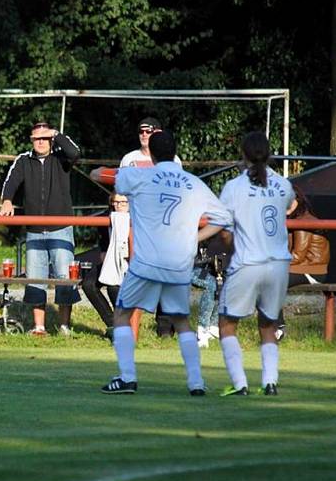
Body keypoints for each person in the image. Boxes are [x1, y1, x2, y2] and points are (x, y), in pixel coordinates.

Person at [100, 130, 232, 396]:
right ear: (175, 152)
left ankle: (127, 378)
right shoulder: (193, 183)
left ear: (152, 152)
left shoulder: (140, 174)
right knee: (182, 322)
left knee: (123, 314)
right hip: (178, 263)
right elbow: (223, 218)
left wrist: (101, 171)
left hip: (146, 263)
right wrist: (196, 237)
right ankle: (196, 382)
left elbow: (102, 176)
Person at [217, 132, 295, 397]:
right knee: (268, 323)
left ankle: (240, 384)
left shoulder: (233, 188)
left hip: (248, 262)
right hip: (279, 263)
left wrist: (235, 246)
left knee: (227, 323)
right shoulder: (284, 185)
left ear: (243, 154)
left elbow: (225, 232)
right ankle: (270, 382)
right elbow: (284, 205)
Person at [0, 121, 81, 337]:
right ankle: (39, 327)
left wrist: (56, 134)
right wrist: (7, 200)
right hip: (34, 230)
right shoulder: (23, 160)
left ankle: (64, 326)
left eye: (45, 138)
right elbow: (10, 182)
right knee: (36, 279)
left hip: (61, 228)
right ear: (31, 140)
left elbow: (75, 152)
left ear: (51, 139)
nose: (41, 142)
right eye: (37, 138)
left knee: (65, 277)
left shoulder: (61, 157)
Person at [120, 117, 182, 337]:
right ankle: (128, 330)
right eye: (141, 131)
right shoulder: (130, 158)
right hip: (135, 224)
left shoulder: (173, 160)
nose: (144, 134)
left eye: (149, 131)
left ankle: (164, 326)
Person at [275, 185, 330, 339]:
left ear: (297, 200)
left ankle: (277, 327)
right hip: (303, 267)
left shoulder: (302, 221)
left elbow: (297, 256)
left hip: (312, 270)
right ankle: (276, 326)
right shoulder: (294, 220)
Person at [78, 193, 130, 339]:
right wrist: (104, 252)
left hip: (131, 264)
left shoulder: (138, 219)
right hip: (110, 261)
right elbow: (103, 246)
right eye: (115, 202)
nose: (118, 205)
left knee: (114, 287)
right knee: (89, 284)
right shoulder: (107, 218)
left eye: (122, 202)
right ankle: (113, 324)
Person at [191, 234, 232, 348]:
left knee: (225, 284)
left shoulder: (229, 235)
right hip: (190, 268)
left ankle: (213, 327)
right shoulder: (203, 230)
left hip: (212, 271)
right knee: (211, 285)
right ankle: (202, 330)